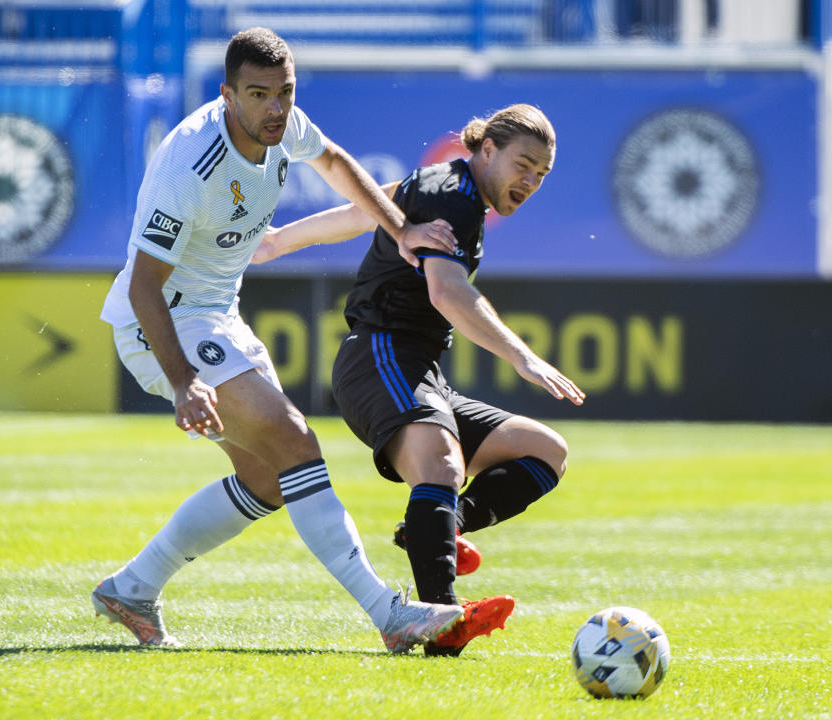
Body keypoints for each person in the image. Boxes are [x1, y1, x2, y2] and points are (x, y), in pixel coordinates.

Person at [93, 27, 467, 653]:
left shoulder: (283, 123)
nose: (275, 108)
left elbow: (336, 163)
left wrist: (401, 229)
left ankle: (131, 589)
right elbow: (142, 288)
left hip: (216, 315)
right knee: (296, 441)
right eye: (259, 94)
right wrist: (185, 381)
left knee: (268, 478)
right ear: (227, 94)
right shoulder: (191, 161)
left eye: (284, 93)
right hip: (163, 322)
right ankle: (388, 612)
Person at [252, 104, 585, 655]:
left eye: (541, 174)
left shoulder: (446, 190)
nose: (530, 181)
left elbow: (369, 207)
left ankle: (440, 528)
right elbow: (447, 292)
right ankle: (442, 623)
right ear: (486, 151)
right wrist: (523, 357)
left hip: (418, 368)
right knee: (442, 462)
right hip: (378, 353)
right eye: (523, 164)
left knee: (544, 451)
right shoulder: (451, 195)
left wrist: (278, 240)